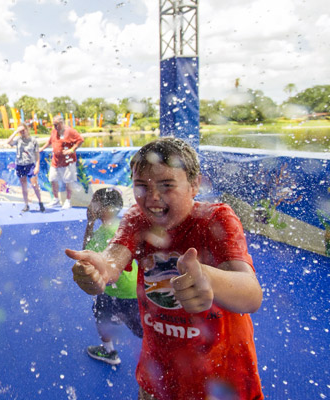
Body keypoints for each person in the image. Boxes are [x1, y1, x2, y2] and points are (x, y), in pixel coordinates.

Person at [66, 137, 263, 400]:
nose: (152, 198)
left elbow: (251, 294)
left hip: (222, 381)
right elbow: (113, 260)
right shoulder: (138, 219)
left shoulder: (215, 220)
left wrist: (209, 278)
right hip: (157, 375)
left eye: (166, 185)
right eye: (141, 186)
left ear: (194, 184)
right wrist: (100, 269)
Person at [83, 188, 142, 366]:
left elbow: (86, 254)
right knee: (103, 315)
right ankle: (109, 350)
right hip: (128, 289)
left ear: (106, 208)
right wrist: (92, 223)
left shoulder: (107, 233)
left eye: (94, 202)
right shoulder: (116, 226)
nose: (90, 205)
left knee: (141, 329)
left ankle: (110, 352)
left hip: (120, 292)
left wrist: (90, 223)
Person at [38, 115, 83, 209]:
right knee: (52, 179)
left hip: (68, 161)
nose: (54, 127)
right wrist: (41, 148)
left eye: (56, 125)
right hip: (56, 161)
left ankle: (68, 201)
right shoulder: (54, 131)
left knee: (68, 181)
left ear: (62, 123)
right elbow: (50, 141)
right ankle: (56, 200)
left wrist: (71, 150)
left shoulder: (70, 131)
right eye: (53, 125)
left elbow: (80, 140)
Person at [7, 123, 45, 212]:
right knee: (24, 186)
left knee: (34, 184)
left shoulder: (33, 140)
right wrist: (16, 131)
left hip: (30, 165)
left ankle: (40, 202)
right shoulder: (18, 140)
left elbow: (37, 154)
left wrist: (37, 166)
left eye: (23, 130)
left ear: (27, 130)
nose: (22, 132)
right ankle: (26, 204)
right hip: (20, 165)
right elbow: (9, 142)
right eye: (21, 131)